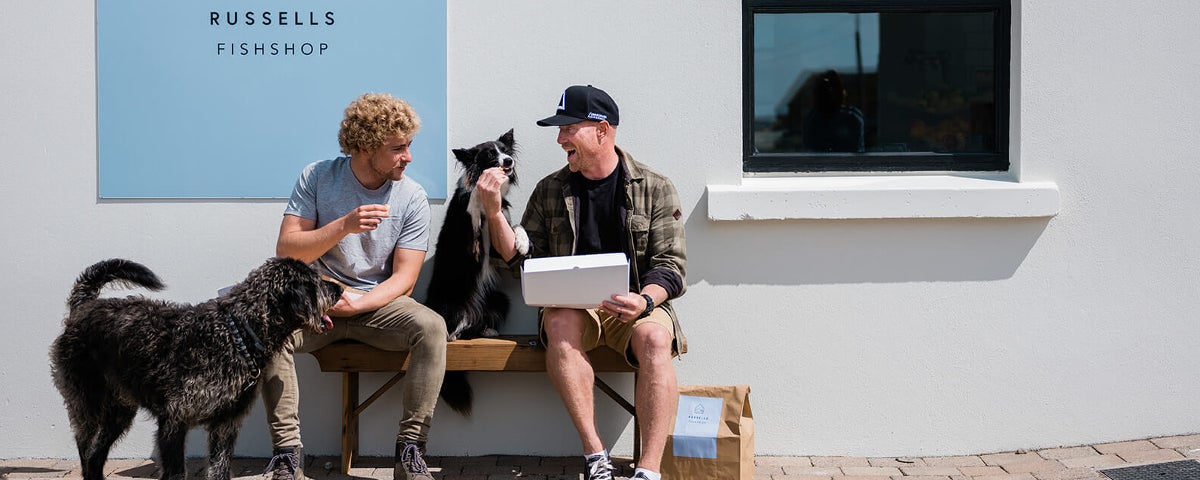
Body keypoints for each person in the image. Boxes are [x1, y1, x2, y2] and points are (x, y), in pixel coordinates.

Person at [476, 85, 688, 480]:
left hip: (636, 305)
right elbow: (519, 261)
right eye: (559, 131)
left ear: (602, 130)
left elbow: (671, 266)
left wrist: (644, 301)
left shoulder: (655, 186)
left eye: (568, 129)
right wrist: (493, 213)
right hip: (573, 309)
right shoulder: (550, 189)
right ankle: (596, 457)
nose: (560, 140)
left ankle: (648, 470)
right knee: (558, 323)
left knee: (657, 339)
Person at [263, 93, 445, 480]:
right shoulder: (318, 177)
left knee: (431, 327)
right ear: (365, 146)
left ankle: (410, 452)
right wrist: (343, 226)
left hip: (375, 304)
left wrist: (358, 304)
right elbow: (287, 250)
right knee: (269, 329)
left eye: (409, 145)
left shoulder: (412, 196)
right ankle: (287, 456)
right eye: (398, 148)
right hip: (317, 301)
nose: (408, 157)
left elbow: (405, 278)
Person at [802, 69, 865, 153]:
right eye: (825, 91)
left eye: (833, 88)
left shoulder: (811, 118)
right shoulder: (852, 116)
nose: (830, 93)